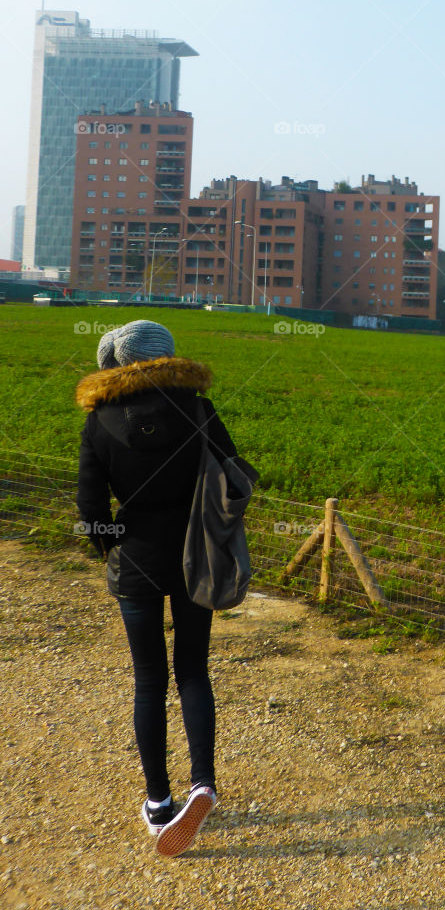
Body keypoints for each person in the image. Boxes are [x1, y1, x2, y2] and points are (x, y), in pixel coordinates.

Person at [75, 318, 242, 857]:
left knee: (149, 680)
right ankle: (203, 783)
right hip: (196, 557)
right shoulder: (196, 408)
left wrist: (115, 540)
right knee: (193, 668)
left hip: (136, 564)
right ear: (166, 355)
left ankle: (158, 804)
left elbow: (89, 511)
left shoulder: (99, 421)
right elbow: (234, 475)